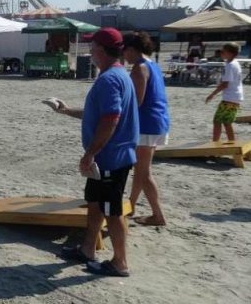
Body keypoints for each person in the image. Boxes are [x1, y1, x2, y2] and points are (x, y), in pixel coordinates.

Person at [52, 28, 138, 277]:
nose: (90, 51)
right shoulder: (119, 74)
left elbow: (111, 119)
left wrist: (90, 153)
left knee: (112, 210)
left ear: (100, 49)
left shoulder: (109, 79)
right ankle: (87, 248)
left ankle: (120, 262)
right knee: (94, 202)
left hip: (111, 158)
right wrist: (66, 110)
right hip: (107, 157)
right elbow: (99, 115)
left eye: (92, 46)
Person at [123, 32, 170, 226]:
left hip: (146, 124)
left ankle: (158, 215)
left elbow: (137, 101)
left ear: (131, 49)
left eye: (124, 51)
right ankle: (131, 205)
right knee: (141, 170)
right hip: (158, 121)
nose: (123, 56)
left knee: (144, 172)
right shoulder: (153, 65)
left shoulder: (139, 68)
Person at [206, 42, 243, 142]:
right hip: (235, 97)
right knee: (227, 122)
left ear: (230, 53)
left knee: (217, 121)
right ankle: (232, 142)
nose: (221, 53)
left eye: (223, 51)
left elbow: (225, 84)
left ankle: (215, 143)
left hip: (230, 97)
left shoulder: (230, 65)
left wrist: (212, 94)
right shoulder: (235, 63)